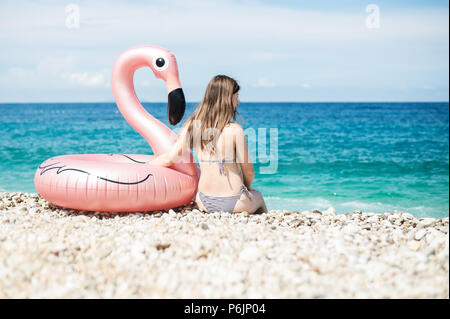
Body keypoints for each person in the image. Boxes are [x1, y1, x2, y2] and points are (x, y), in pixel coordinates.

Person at [149, 75, 268, 214]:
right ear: (228, 99)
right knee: (258, 197)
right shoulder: (235, 130)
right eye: (236, 97)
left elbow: (170, 158)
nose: (238, 103)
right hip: (235, 201)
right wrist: (247, 188)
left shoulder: (192, 125)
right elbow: (249, 171)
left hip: (204, 201)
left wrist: (147, 166)